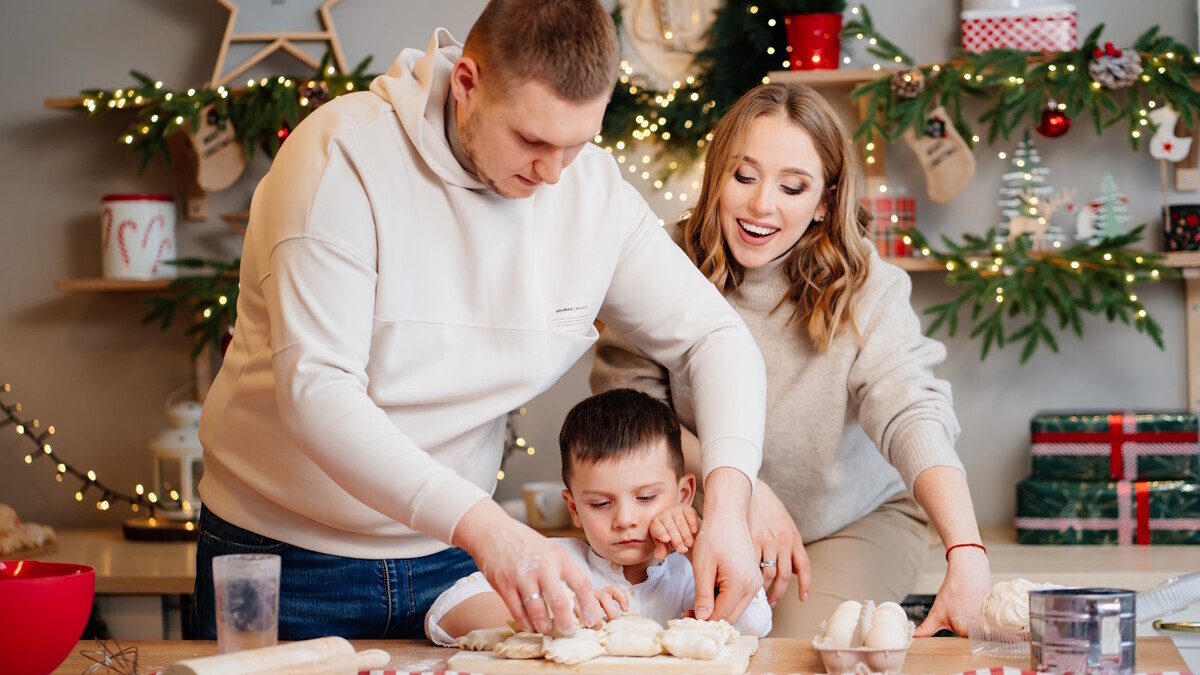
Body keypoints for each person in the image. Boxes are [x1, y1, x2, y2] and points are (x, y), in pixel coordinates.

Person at [191, 0, 769, 641]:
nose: (553, 174)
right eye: (532, 140)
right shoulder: (340, 159)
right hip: (288, 560)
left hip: (463, 567)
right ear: (466, 85)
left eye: (577, 144)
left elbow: (715, 337)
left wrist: (728, 505)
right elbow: (318, 393)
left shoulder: (590, 192)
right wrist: (488, 529)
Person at [590, 82, 992, 638]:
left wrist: (966, 548)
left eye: (793, 186)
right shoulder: (664, 265)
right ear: (717, 178)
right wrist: (739, 485)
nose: (761, 205)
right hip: (694, 514)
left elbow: (911, 412)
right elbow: (629, 411)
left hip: (847, 523)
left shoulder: (868, 286)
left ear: (825, 200)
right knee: (662, 640)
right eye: (744, 176)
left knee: (783, 651)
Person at [424, 388, 772, 645]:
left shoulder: (689, 572)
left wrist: (700, 553)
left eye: (646, 497)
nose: (624, 519)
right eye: (601, 504)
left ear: (684, 495)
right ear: (573, 508)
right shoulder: (556, 563)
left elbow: (756, 624)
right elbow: (444, 614)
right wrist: (559, 609)